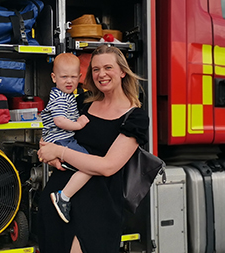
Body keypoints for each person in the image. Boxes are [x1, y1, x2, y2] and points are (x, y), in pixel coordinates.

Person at [37, 45, 148, 253]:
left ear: (123, 71)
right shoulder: (82, 103)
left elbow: (108, 166)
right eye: (96, 69)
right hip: (57, 202)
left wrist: (59, 152)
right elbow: (50, 134)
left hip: (98, 209)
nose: (101, 74)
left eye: (108, 67)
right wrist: (46, 151)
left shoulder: (135, 118)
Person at [41, 53, 92, 223]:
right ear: (54, 78)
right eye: (64, 77)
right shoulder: (60, 98)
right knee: (89, 165)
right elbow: (59, 120)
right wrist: (78, 125)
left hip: (62, 141)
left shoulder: (68, 96)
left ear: (80, 77)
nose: (69, 81)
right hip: (60, 141)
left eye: (73, 77)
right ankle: (63, 197)